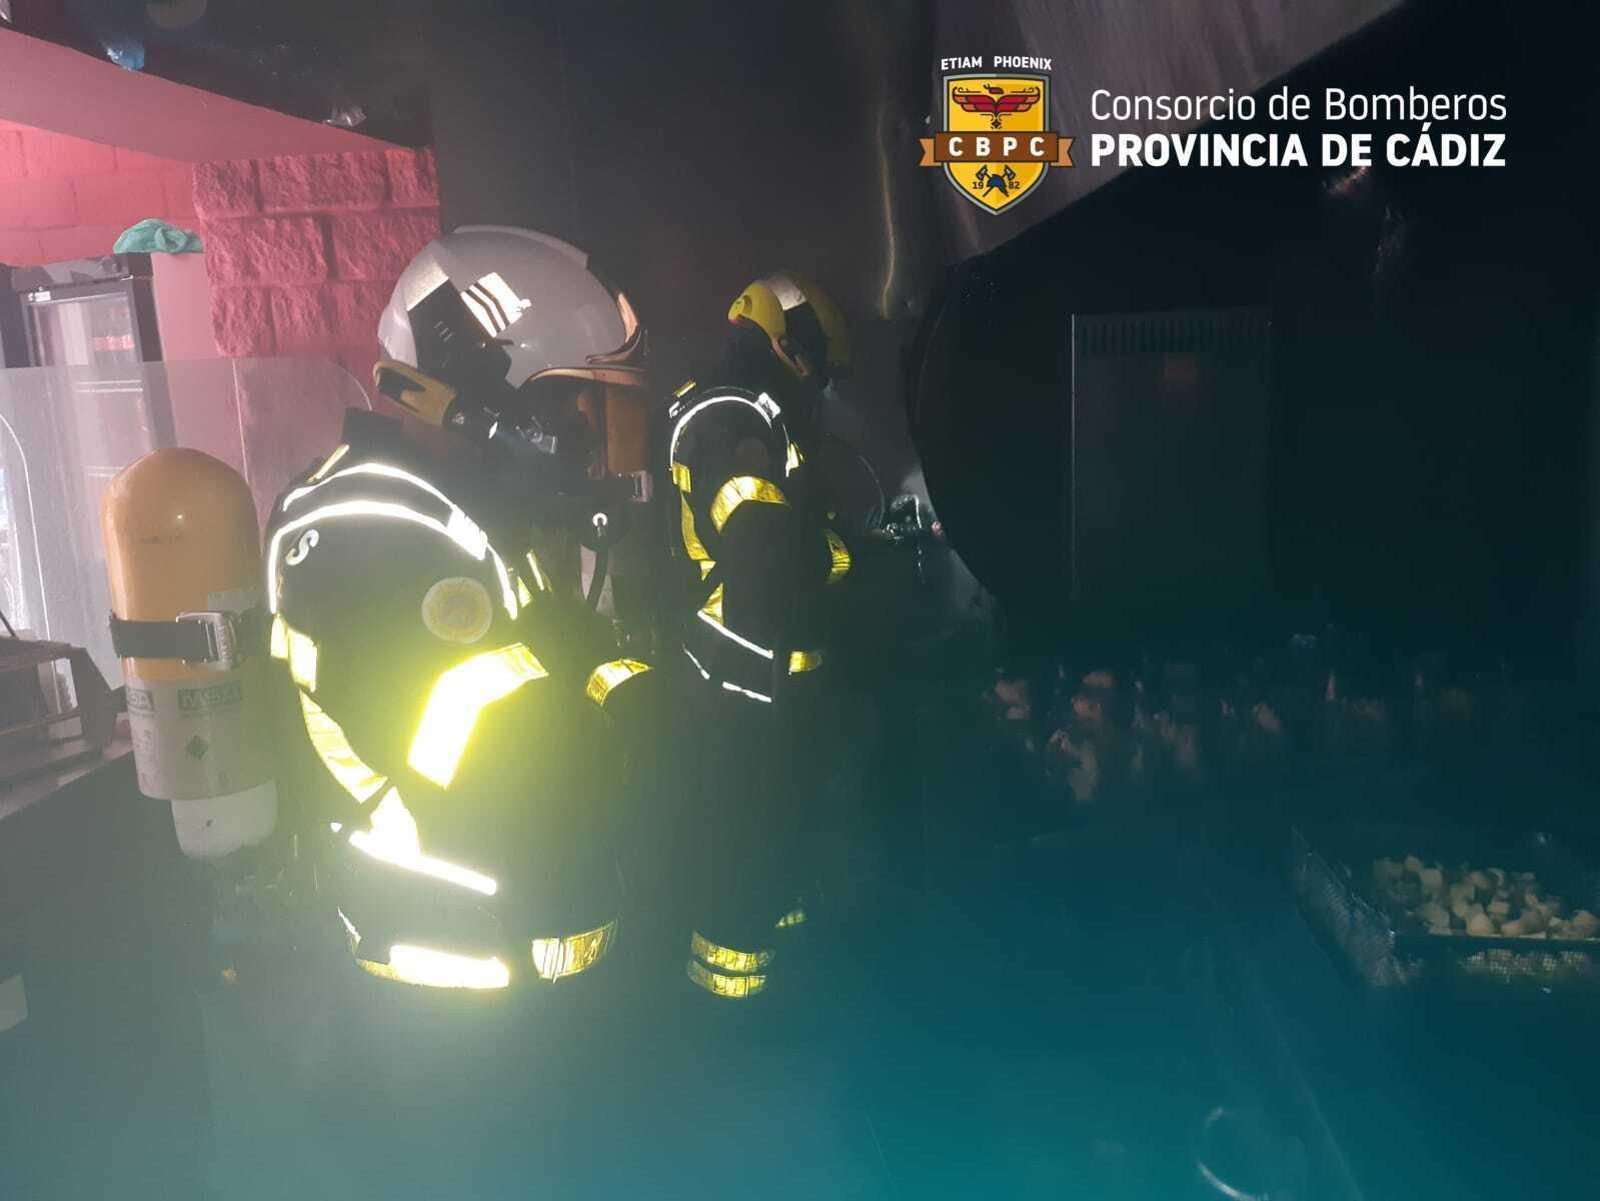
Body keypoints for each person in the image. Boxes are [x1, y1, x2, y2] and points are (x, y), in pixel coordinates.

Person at [263, 227, 657, 995]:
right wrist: (634, 718)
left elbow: (568, 665)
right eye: (579, 411)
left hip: (536, 967)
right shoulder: (362, 528)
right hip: (452, 986)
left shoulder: (470, 519)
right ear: (490, 399)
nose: (591, 447)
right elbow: (500, 759)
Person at [660, 271, 858, 1003]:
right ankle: (734, 1022)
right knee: (744, 861)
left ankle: (767, 1001)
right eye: (819, 365)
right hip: (745, 691)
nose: (821, 384)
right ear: (788, 345)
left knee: (760, 852)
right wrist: (837, 552)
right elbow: (765, 544)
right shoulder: (739, 418)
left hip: (742, 685)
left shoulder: (725, 409)